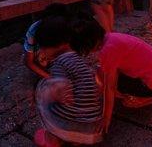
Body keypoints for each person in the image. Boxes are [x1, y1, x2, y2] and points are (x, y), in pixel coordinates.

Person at [70, 16, 152, 133]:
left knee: (105, 79)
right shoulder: (110, 37)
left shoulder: (108, 50)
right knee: (101, 71)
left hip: (151, 85)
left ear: (87, 45)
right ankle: (136, 94)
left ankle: (145, 98)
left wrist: (106, 118)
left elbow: (109, 87)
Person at [33, 16, 103, 147]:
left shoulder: (59, 63)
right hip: (91, 126)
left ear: (48, 47)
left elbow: (63, 90)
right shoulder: (78, 59)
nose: (42, 52)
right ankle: (76, 140)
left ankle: (52, 140)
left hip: (72, 125)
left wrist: (47, 95)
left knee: (43, 94)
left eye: (42, 48)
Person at [24, 3, 70, 78]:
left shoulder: (67, 26)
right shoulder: (34, 30)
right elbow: (29, 62)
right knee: (43, 64)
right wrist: (50, 77)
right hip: (42, 54)